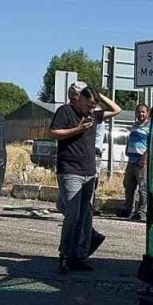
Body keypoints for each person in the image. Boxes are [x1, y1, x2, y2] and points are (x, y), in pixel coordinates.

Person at [49, 81, 120, 273]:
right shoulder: (65, 111)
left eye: (93, 106)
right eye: (88, 105)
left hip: (89, 171)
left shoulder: (94, 115)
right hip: (70, 170)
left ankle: (79, 256)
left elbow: (116, 109)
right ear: (78, 100)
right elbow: (53, 133)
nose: (91, 109)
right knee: (72, 214)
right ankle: (64, 256)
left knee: (85, 216)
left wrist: (99, 95)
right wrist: (76, 130)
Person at [122, 104, 150, 221]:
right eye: (138, 112)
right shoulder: (134, 126)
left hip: (141, 161)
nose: (140, 114)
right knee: (128, 186)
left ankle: (142, 213)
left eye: (143, 112)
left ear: (147, 113)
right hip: (131, 160)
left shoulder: (150, 127)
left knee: (142, 189)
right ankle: (129, 210)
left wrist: (145, 158)